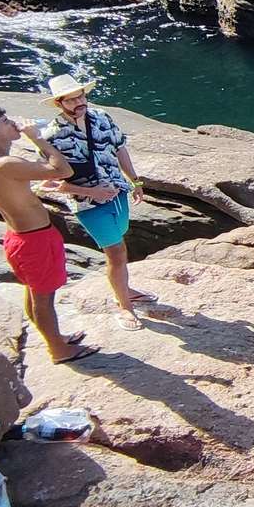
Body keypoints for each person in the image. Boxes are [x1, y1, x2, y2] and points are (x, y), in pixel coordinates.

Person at [0, 105, 96, 365]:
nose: (12, 122)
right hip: (34, 239)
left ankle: (55, 338)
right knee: (43, 298)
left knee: (34, 292)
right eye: (4, 121)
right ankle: (58, 350)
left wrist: (20, 195)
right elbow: (63, 171)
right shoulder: (6, 164)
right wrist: (37, 138)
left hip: (16, 237)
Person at [41, 74, 155, 331]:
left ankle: (124, 288)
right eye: (71, 100)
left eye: (80, 95)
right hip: (88, 205)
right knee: (116, 252)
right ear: (59, 103)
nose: (78, 102)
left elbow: (120, 148)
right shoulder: (52, 137)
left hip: (117, 194)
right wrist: (90, 192)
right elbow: (48, 183)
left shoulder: (101, 118)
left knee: (121, 238)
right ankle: (124, 306)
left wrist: (135, 181)